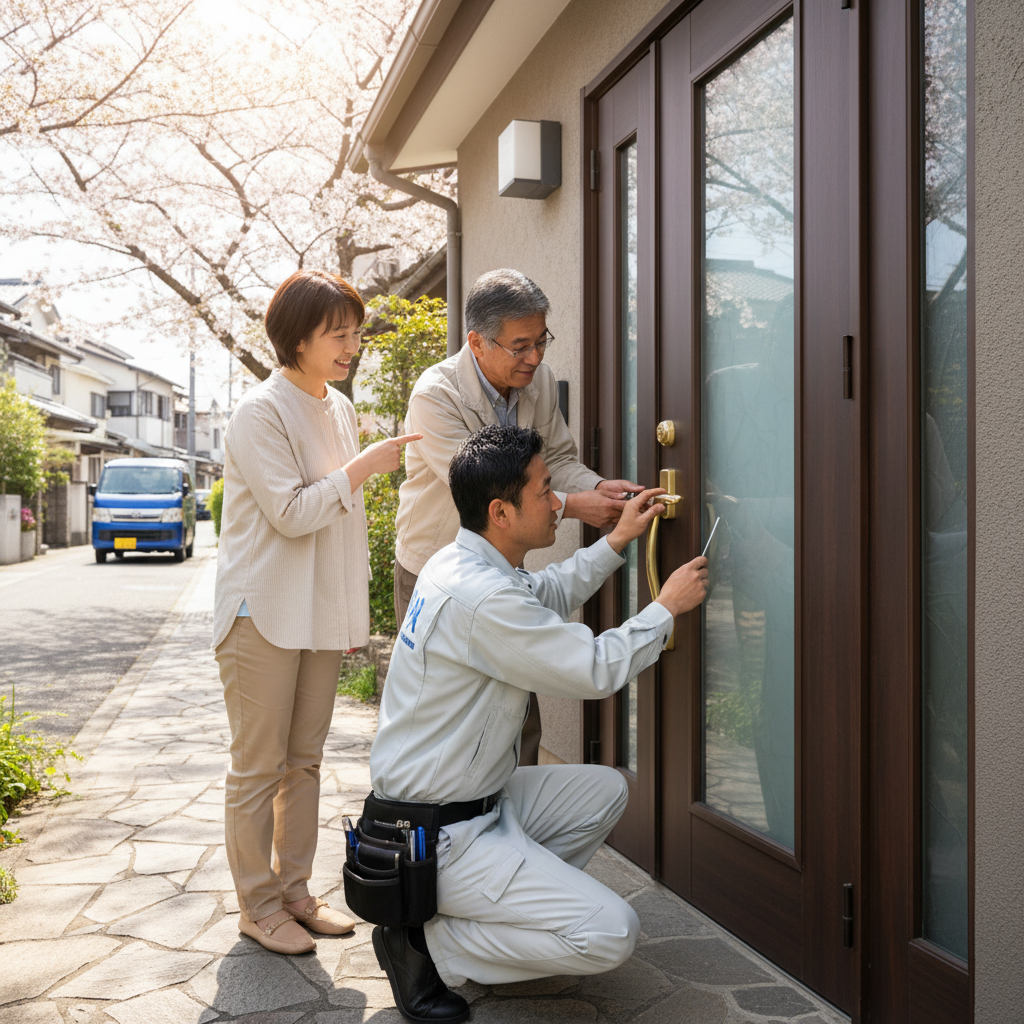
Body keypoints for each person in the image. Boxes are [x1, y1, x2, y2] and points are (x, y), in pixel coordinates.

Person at [367, 424, 709, 1022]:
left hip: (472, 805)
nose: (559, 503)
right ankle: (433, 945)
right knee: (610, 932)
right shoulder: (480, 595)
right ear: (501, 511)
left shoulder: (464, 561)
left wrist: (617, 539)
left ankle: (486, 910)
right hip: (439, 835)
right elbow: (594, 668)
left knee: (604, 789)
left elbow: (541, 594)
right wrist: (665, 608)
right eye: (546, 490)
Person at [212, 270, 421, 955]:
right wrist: (364, 467)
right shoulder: (259, 413)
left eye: (355, 332)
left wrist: (347, 618)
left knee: (303, 760)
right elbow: (296, 513)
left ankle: (294, 892)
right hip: (261, 612)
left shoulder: (334, 406)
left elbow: (343, 526)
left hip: (312, 612)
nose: (352, 345)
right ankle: (256, 905)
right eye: (339, 333)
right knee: (258, 765)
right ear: (296, 339)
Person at [394, 268, 643, 765]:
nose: (535, 357)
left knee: (519, 712)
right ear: (477, 342)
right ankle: (447, 828)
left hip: (503, 568)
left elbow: (559, 460)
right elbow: (486, 490)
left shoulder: (539, 380)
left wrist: (597, 488)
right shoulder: (435, 395)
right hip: (438, 570)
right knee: (450, 720)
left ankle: (516, 823)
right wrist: (576, 507)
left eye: (541, 341)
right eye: (520, 346)